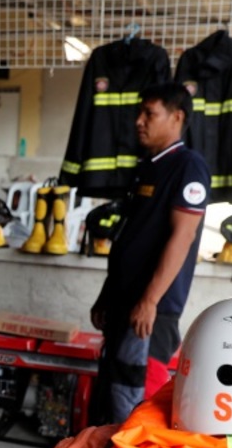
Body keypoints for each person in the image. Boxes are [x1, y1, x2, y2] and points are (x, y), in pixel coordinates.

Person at [89, 82, 209, 426]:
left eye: (149, 114)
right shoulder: (147, 166)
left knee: (135, 397)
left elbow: (182, 237)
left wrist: (150, 300)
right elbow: (130, 238)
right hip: (124, 304)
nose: (139, 121)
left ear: (177, 117)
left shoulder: (188, 166)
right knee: (113, 394)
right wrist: (106, 296)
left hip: (150, 312)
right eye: (139, 113)